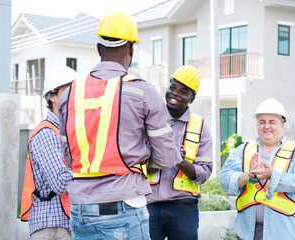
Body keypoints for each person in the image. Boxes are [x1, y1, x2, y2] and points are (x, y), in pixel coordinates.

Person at [58, 12, 181, 240]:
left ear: (98, 48)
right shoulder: (143, 91)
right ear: (132, 49)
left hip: (80, 209)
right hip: (123, 207)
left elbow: (68, 154)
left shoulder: (70, 94)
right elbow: (165, 157)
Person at [219, 98, 295, 240]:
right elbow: (224, 179)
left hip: (283, 233)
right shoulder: (243, 150)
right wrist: (248, 176)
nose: (266, 126)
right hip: (246, 233)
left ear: (282, 125)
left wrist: (271, 175)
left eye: (272, 122)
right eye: (262, 122)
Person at [146, 65, 213, 240]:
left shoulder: (201, 127)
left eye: (184, 91)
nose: (175, 93)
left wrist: (179, 160)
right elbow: (134, 164)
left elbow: (204, 173)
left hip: (184, 209)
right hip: (149, 205)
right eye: (173, 87)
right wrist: (159, 158)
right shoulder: (149, 119)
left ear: (192, 98)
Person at [20, 66, 78, 239]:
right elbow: (60, 183)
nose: (73, 96)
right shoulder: (46, 133)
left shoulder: (67, 131)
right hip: (51, 228)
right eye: (67, 91)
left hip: (66, 224)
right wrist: (87, 169)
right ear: (52, 96)